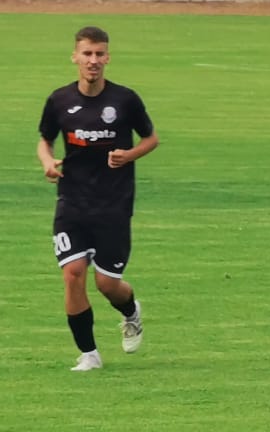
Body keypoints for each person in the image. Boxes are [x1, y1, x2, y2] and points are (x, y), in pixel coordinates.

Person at [37, 25, 157, 370]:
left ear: (108, 57)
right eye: (87, 54)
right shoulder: (59, 100)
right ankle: (89, 354)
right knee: (73, 273)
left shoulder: (125, 100)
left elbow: (151, 138)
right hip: (72, 202)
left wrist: (129, 155)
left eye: (99, 54)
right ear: (75, 56)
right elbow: (45, 139)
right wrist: (47, 161)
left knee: (107, 284)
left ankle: (131, 311)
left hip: (113, 205)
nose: (93, 60)